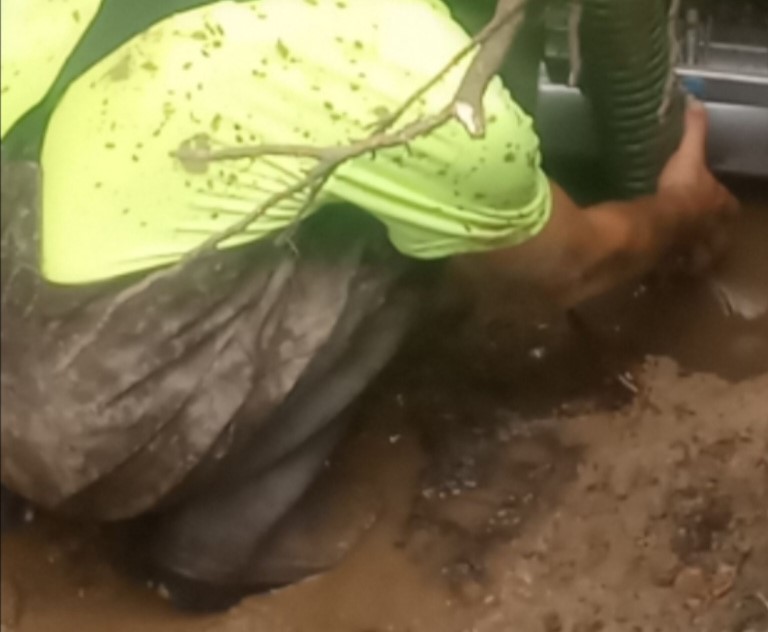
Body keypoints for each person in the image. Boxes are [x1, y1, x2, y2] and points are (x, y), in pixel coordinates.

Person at [0, 0, 738, 611]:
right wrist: (677, 209)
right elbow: (575, 265)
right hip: (83, 422)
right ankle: (213, 548)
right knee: (416, 227)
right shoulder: (391, 65)